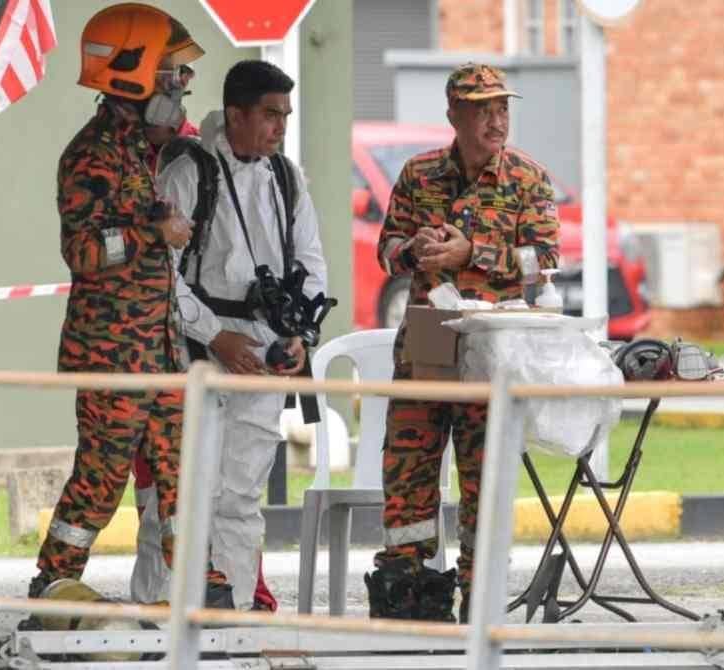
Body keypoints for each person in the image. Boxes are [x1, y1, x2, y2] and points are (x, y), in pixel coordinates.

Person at [366, 63, 560, 623]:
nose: (496, 121)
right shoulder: (419, 173)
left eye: (502, 108)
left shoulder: (528, 179)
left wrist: (470, 252)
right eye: (482, 110)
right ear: (454, 115)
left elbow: (544, 260)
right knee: (408, 469)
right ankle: (408, 591)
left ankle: (480, 598)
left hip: (493, 348)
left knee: (485, 474)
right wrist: (415, 251)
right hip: (428, 341)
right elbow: (387, 250)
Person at [28, 3, 205, 598]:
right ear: (134, 73)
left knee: (182, 477)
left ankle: (192, 596)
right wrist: (153, 232)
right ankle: (53, 587)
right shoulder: (92, 154)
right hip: (112, 358)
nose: (182, 85)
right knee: (100, 483)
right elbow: (82, 252)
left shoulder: (139, 150)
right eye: (172, 72)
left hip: (159, 351)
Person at [155, 59, 328, 610]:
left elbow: (310, 260)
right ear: (235, 114)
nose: (280, 127)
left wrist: (300, 331)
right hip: (199, 351)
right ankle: (163, 611)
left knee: (241, 492)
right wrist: (216, 336)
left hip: (264, 349)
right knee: (183, 490)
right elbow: (161, 275)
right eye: (271, 115)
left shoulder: (286, 177)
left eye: (286, 116)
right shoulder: (189, 171)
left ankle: (234, 615)